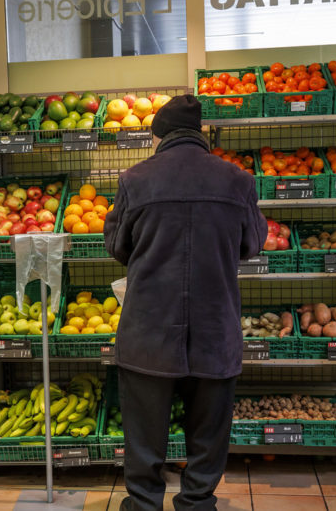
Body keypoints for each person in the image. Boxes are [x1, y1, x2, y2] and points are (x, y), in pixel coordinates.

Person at [104, 95, 267, 511]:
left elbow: (118, 247)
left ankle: (143, 504)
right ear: (202, 134)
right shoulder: (238, 181)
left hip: (148, 329)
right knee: (208, 435)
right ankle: (196, 502)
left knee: (144, 435)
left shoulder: (135, 180)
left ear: (158, 135)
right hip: (216, 327)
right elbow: (252, 244)